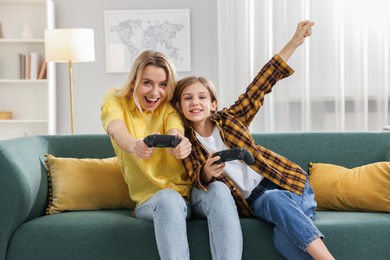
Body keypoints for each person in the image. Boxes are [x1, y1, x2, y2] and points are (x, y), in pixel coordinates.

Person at [172, 21, 335, 260]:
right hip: (255, 202)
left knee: (279, 216)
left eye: (202, 97)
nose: (195, 102)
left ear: (213, 104)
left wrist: (294, 42)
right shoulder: (186, 142)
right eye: (187, 98)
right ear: (179, 106)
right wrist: (207, 172)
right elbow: (196, 177)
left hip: (288, 183)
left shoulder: (232, 119)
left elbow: (262, 83)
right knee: (281, 233)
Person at [100, 50, 193, 260]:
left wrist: (178, 142)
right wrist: (133, 145)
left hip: (185, 198)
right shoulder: (115, 99)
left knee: (173, 198)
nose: (155, 92)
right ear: (133, 82)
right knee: (168, 199)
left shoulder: (169, 105)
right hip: (149, 201)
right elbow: (116, 128)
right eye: (148, 83)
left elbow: (175, 128)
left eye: (162, 85)